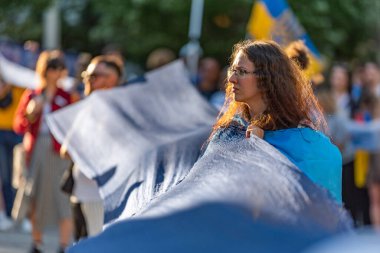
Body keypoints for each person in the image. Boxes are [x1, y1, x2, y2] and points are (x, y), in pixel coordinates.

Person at [209, 40, 342, 203]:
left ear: (267, 79)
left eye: (242, 71)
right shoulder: (229, 133)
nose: (232, 79)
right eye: (233, 70)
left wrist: (259, 149)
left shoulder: (311, 147)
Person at [13, 50, 72, 253]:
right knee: (34, 196)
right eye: (51, 68)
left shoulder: (67, 96)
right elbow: (19, 126)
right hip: (36, 148)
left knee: (62, 197)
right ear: (44, 70)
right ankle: (36, 243)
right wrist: (30, 113)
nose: (55, 72)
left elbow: (73, 126)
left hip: (59, 151)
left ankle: (64, 245)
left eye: (58, 68)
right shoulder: (32, 94)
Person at [63, 55, 124, 241]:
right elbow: (66, 149)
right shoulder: (87, 106)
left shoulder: (119, 109)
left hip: (101, 193)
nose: (87, 79)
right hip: (82, 191)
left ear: (111, 79)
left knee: (99, 243)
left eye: (94, 75)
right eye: (86, 75)